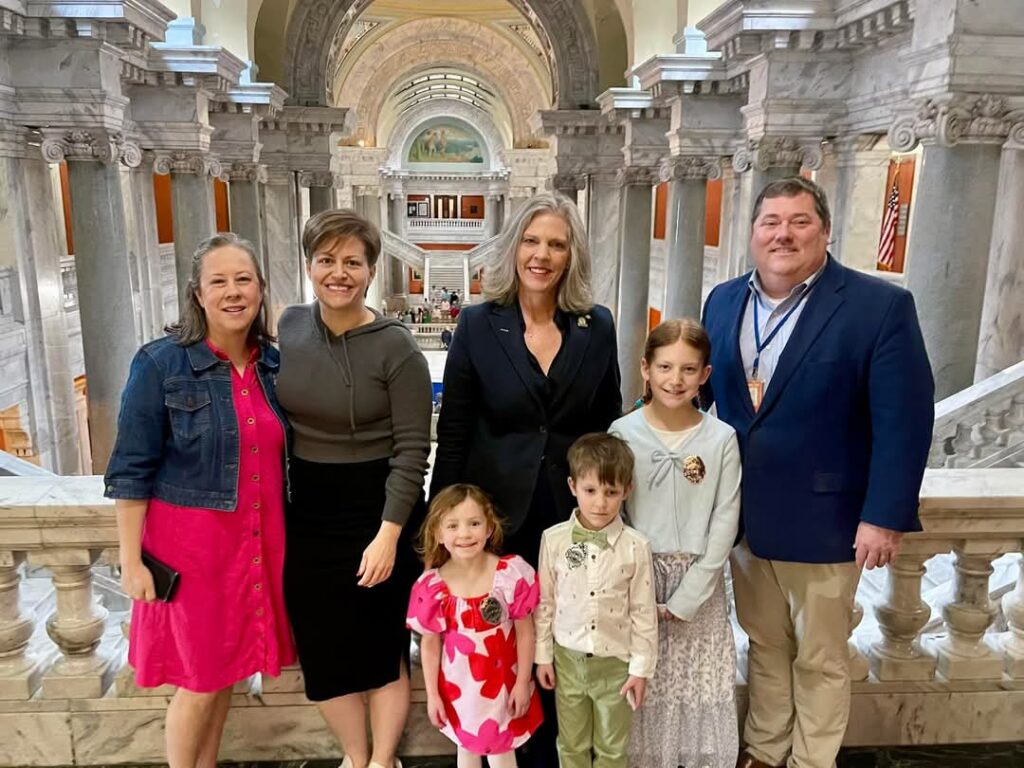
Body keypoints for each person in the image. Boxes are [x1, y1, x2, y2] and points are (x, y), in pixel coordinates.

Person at [701, 177, 934, 768]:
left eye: (799, 221)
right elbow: (718, 410)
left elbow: (903, 421)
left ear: (824, 231)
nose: (783, 234)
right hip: (746, 519)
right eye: (770, 222)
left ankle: (811, 760)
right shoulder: (723, 300)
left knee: (822, 658)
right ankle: (765, 749)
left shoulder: (876, 307)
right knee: (765, 647)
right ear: (752, 234)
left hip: (828, 522)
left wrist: (883, 517)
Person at [431, 192, 621, 768]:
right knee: (505, 639)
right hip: (497, 518)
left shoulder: (597, 324)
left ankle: (560, 754)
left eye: (557, 244)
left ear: (572, 255)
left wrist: (609, 510)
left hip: (572, 519)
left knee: (567, 634)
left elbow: (605, 423)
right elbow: (456, 428)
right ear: (513, 247)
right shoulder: (478, 324)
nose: (542, 255)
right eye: (532, 241)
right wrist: (439, 524)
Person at [105, 233, 294, 768]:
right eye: (219, 281)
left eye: (244, 280)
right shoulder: (161, 364)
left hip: (257, 543)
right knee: (199, 679)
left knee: (227, 672)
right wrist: (130, 559)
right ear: (198, 293)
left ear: (260, 288)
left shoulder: (272, 365)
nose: (233, 292)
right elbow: (130, 469)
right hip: (194, 551)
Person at [276, 209, 433, 768]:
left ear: (370, 271)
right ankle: (354, 754)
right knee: (321, 643)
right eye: (325, 260)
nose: (337, 273)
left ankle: (383, 759)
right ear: (310, 265)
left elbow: (413, 451)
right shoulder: (289, 326)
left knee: (379, 645)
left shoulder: (398, 348)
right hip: (307, 506)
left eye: (351, 262)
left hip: (379, 505)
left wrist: (390, 534)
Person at [609, 319, 741, 768]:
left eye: (688, 369)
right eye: (665, 366)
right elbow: (613, 516)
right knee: (645, 683)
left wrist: (691, 594)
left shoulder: (721, 438)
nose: (675, 379)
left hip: (699, 585)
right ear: (645, 368)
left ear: (705, 375)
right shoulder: (623, 433)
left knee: (695, 687)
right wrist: (634, 584)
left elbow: (726, 517)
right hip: (638, 578)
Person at [533, 432, 658, 768]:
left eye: (611, 492)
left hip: (616, 663)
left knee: (613, 748)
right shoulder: (554, 540)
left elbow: (644, 613)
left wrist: (640, 669)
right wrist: (543, 657)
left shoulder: (636, 547)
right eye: (590, 491)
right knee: (571, 744)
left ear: (626, 491)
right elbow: (545, 603)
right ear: (573, 486)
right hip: (567, 660)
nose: (600, 503)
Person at [407, 484, 544, 768]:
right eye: (453, 525)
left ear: (490, 528)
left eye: (474, 523)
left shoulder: (510, 575)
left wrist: (521, 683)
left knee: (501, 754)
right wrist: (432, 695)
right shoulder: (432, 587)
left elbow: (526, 631)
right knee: (466, 750)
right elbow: (430, 645)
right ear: (438, 533)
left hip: (503, 690)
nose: (465, 534)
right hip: (460, 691)